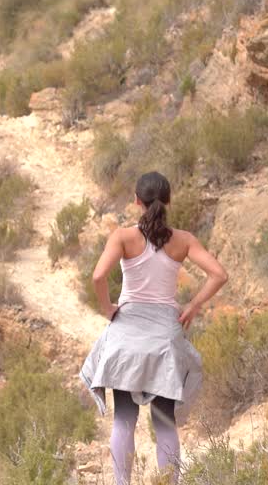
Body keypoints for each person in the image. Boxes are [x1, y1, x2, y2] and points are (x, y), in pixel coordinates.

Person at [80, 172, 228, 485]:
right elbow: (218, 274)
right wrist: (193, 306)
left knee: (123, 417)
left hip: (127, 335)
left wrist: (108, 308)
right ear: (169, 200)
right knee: (164, 421)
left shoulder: (122, 237)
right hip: (164, 337)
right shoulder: (184, 240)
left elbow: (97, 277)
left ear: (137, 201)